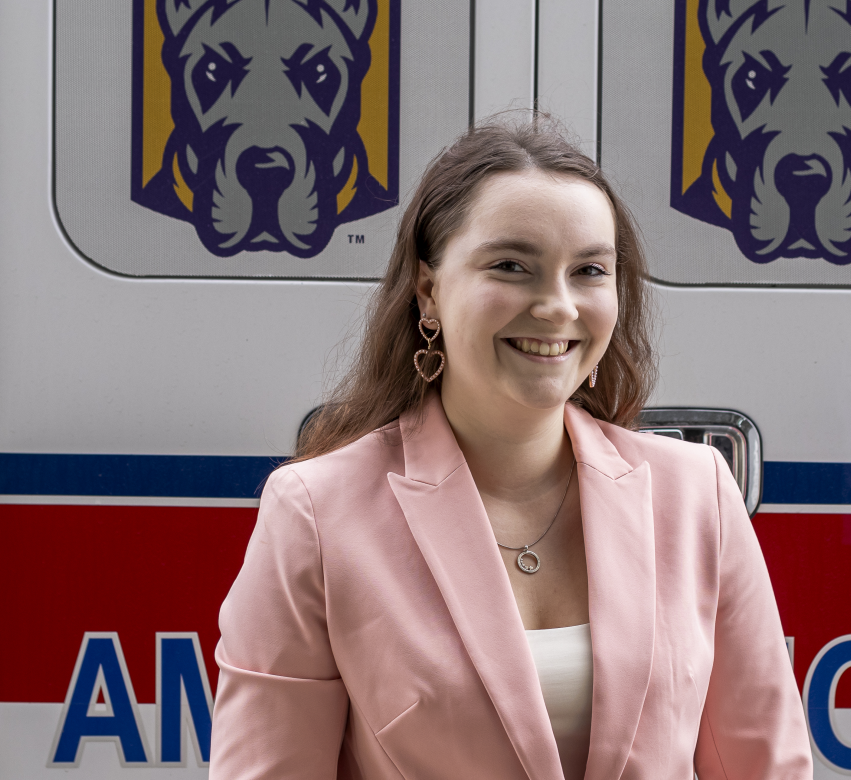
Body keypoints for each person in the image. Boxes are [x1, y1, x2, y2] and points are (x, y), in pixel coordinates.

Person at [210, 114, 812, 780]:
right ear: (428, 289)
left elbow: (768, 767)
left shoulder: (697, 491)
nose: (558, 306)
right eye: (511, 265)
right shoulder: (316, 513)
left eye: (588, 269)